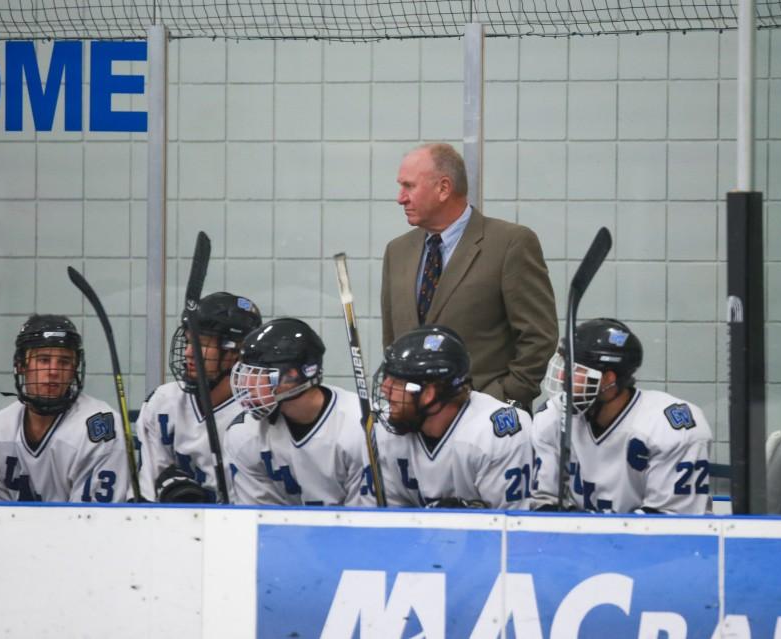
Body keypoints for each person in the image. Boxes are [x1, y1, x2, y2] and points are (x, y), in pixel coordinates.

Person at [381, 142, 558, 408]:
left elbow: (538, 337)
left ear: (443, 188)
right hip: (413, 422)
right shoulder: (397, 251)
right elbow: (393, 340)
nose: (400, 197)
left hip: (485, 423)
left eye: (409, 186)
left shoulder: (510, 244)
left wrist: (504, 399)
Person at [531, 318, 713, 514]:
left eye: (575, 370)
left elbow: (671, 526)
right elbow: (542, 503)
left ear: (608, 379)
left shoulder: (669, 426)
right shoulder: (553, 417)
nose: (561, 377)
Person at [368, 325, 536, 510]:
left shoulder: (497, 434)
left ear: (429, 394)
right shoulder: (385, 432)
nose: (385, 387)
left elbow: (514, 527)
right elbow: (391, 522)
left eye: (397, 381)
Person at [0, 315, 128, 502]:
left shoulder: (98, 430)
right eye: (43, 360)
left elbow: (92, 522)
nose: (54, 371)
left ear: (75, 368)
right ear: (21, 366)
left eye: (64, 362)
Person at [224, 318, 367, 506]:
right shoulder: (244, 434)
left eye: (258, 373)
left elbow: (364, 521)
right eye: (246, 372)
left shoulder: (358, 425)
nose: (245, 384)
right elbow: (259, 520)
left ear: (293, 376)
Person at [136, 292, 262, 503]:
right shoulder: (163, 402)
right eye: (187, 341)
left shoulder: (258, 415)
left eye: (201, 344)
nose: (187, 352)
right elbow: (147, 495)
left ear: (235, 352)